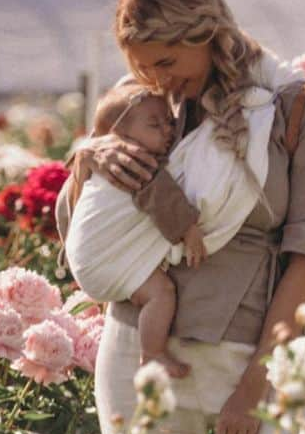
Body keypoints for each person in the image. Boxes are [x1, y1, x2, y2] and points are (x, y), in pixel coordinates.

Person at [57, 0, 305, 434]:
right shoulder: (138, 103)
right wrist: (87, 158)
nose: (160, 79)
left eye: (168, 61)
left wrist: (256, 382)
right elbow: (90, 225)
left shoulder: (293, 106)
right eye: (145, 67)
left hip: (245, 348)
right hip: (139, 348)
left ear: (209, 35)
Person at [63, 82, 207, 378]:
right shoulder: (134, 162)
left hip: (89, 263)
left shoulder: (104, 165)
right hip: (103, 261)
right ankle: (153, 352)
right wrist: (189, 230)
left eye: (169, 121)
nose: (168, 130)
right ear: (119, 137)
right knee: (162, 293)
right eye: (155, 124)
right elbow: (164, 198)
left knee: (157, 290)